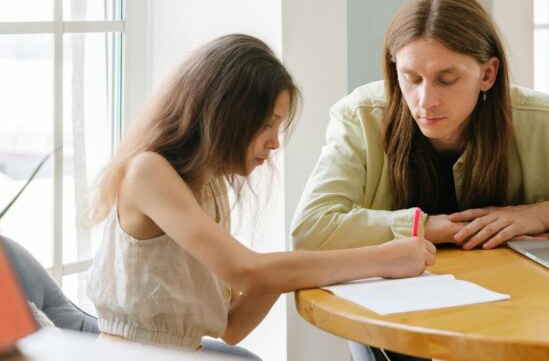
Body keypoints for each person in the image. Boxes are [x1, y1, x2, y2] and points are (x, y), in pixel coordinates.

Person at [291, 0, 549, 360]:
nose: (425, 101)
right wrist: (431, 228)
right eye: (411, 77)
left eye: (446, 79)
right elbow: (311, 229)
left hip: (522, 322)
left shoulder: (545, 122)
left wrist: (543, 213)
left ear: (487, 74)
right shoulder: (359, 117)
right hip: (398, 334)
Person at [85, 34, 436, 354]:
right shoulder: (149, 172)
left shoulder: (209, 186)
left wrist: (297, 263)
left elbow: (234, 325)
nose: (275, 142)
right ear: (225, 114)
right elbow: (248, 274)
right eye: (267, 124)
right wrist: (381, 259)